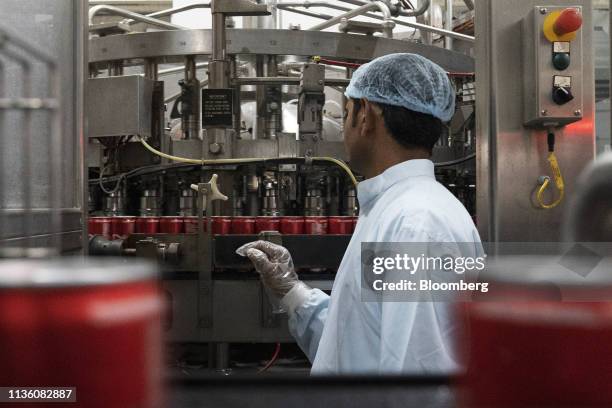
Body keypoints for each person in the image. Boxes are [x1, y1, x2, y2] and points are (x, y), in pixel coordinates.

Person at [237, 53, 482, 374]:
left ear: (365, 115)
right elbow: (357, 344)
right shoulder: (401, 211)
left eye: (346, 112)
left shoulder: (416, 225)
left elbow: (419, 380)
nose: (342, 130)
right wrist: (291, 292)